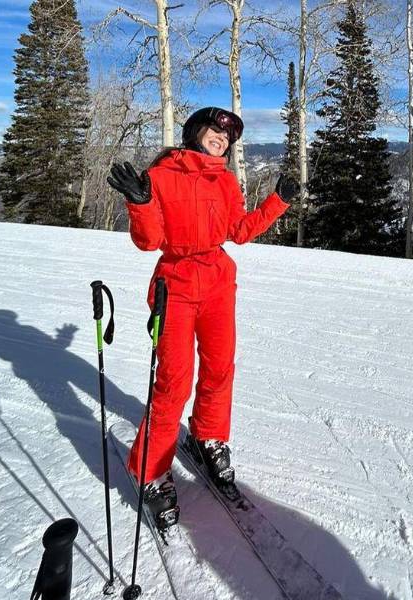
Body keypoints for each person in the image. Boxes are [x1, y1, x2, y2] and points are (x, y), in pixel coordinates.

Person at [107, 107, 297, 526]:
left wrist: (278, 201)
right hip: (174, 285)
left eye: (229, 138)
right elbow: (149, 241)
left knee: (219, 369)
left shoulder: (225, 181)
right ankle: (150, 471)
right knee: (173, 381)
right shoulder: (161, 175)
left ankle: (208, 436)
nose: (223, 139)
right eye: (217, 131)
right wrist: (139, 201)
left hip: (217, 285)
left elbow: (240, 231)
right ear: (195, 131)